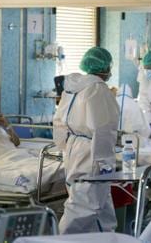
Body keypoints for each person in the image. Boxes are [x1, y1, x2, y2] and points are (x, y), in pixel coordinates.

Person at [53, 47, 118, 234]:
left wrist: (65, 147)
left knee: (101, 205)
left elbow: (58, 121)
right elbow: (103, 127)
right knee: (84, 204)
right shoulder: (98, 89)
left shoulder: (72, 87)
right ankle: (61, 239)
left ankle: (108, 238)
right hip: (92, 150)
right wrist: (104, 160)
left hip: (74, 146)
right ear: (105, 67)